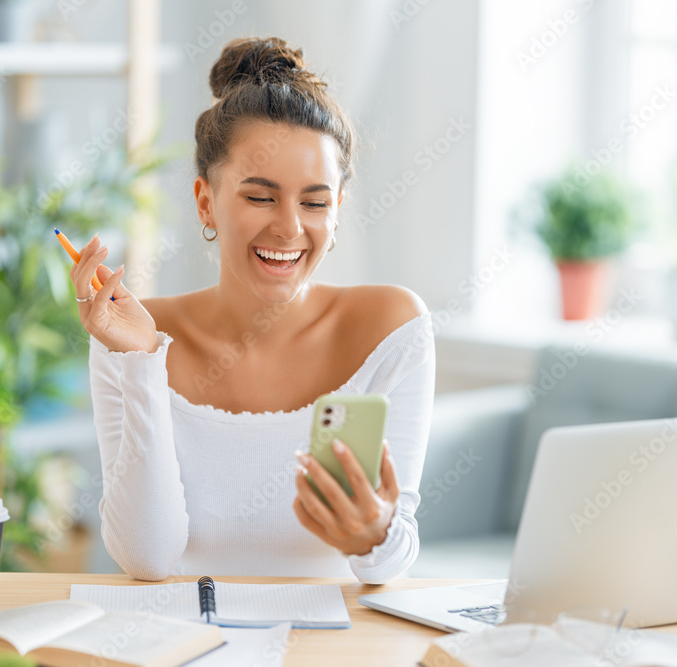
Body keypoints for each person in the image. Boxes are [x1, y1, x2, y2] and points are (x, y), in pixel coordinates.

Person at [69, 36, 435, 585]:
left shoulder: (389, 326)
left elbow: (392, 558)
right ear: (205, 201)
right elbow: (148, 557)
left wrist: (374, 535)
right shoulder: (131, 333)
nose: (289, 228)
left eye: (314, 202)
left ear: (336, 212)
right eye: (260, 197)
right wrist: (143, 363)